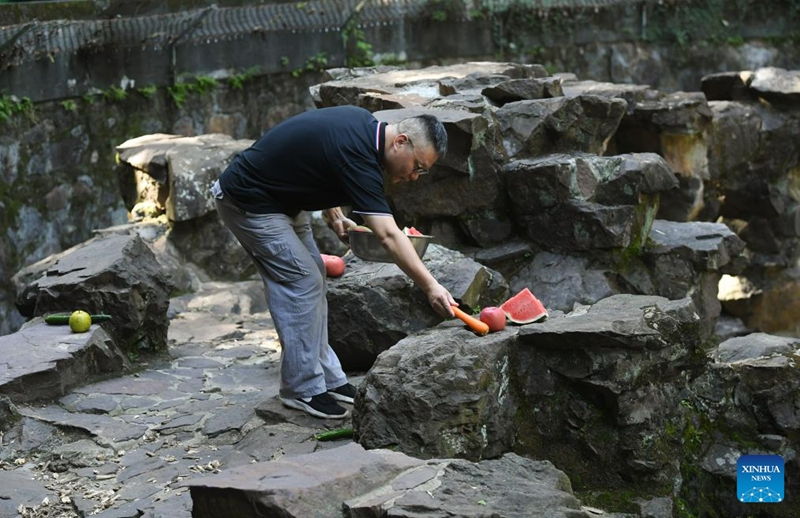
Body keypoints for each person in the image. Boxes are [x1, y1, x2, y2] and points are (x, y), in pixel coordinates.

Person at [211, 105, 456, 419]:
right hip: (247, 201)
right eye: (417, 166)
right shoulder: (361, 156)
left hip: (284, 202)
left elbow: (315, 156)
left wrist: (334, 212)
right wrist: (431, 287)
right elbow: (390, 236)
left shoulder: (364, 125)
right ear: (400, 142)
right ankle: (300, 388)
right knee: (303, 281)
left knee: (314, 277)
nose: (413, 176)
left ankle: (327, 377)